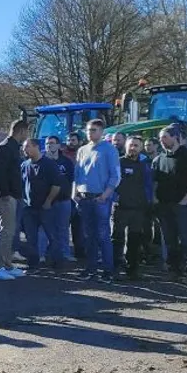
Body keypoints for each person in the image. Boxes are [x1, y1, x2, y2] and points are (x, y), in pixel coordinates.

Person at [72, 118, 121, 282]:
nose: (89, 133)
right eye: (88, 130)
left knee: (103, 235)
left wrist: (105, 195)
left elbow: (115, 176)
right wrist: (75, 193)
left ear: (101, 131)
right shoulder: (82, 150)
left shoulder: (109, 150)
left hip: (100, 199)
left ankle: (108, 270)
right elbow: (77, 174)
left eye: (93, 130)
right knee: (88, 236)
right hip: (84, 199)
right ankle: (91, 268)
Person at [111, 136, 154, 281]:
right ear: (126, 146)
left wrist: (148, 203)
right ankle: (115, 268)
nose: (133, 148)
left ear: (141, 148)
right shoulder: (119, 162)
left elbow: (148, 186)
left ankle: (133, 269)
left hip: (138, 209)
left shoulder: (145, 165)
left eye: (136, 145)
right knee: (117, 239)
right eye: (131, 145)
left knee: (134, 240)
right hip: (121, 208)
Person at [20, 138, 66, 272]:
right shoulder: (24, 165)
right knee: (31, 238)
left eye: (26, 147)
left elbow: (56, 185)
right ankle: (33, 265)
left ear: (36, 147)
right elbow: (21, 185)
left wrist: (48, 201)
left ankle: (57, 263)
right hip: (29, 208)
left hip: (46, 208)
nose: (24, 150)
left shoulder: (49, 164)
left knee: (52, 236)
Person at [152, 123, 187, 280]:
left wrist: (184, 201)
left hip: (183, 206)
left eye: (165, 137)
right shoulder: (159, 159)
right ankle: (174, 269)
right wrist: (155, 198)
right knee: (169, 240)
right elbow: (155, 182)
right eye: (160, 138)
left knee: (186, 239)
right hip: (164, 206)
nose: (162, 141)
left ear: (175, 137)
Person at [0, 119, 28, 280]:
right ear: (21, 131)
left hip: (14, 195)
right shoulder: (5, 147)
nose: (27, 136)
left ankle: (7, 265)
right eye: (26, 132)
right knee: (6, 232)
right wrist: (5, 193)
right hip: (6, 197)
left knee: (11, 231)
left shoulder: (14, 147)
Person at [40, 135, 75, 263]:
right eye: (47, 143)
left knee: (63, 228)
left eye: (53, 143)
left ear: (59, 145)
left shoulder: (66, 162)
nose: (50, 145)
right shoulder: (41, 161)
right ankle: (41, 254)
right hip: (45, 201)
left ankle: (65, 253)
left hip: (63, 200)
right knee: (43, 229)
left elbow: (71, 179)